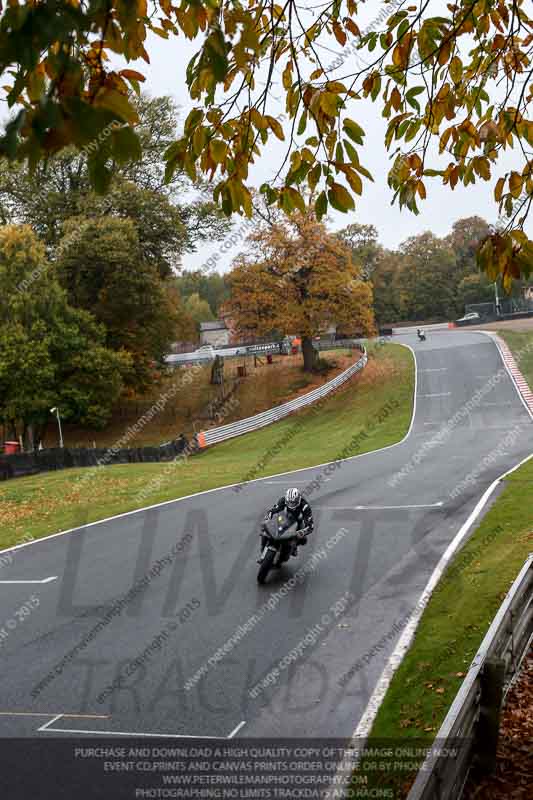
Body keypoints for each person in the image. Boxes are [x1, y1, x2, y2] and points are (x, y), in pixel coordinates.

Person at [261, 488, 314, 558]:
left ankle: (294, 547)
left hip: (298, 521)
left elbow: (310, 525)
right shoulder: (282, 500)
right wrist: (267, 519)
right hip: (283, 517)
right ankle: (263, 547)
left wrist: (303, 532)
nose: (291, 504)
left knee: (303, 540)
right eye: (289, 502)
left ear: (299, 499)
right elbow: (272, 511)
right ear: (286, 499)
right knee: (264, 530)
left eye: (294, 502)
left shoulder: (305, 506)